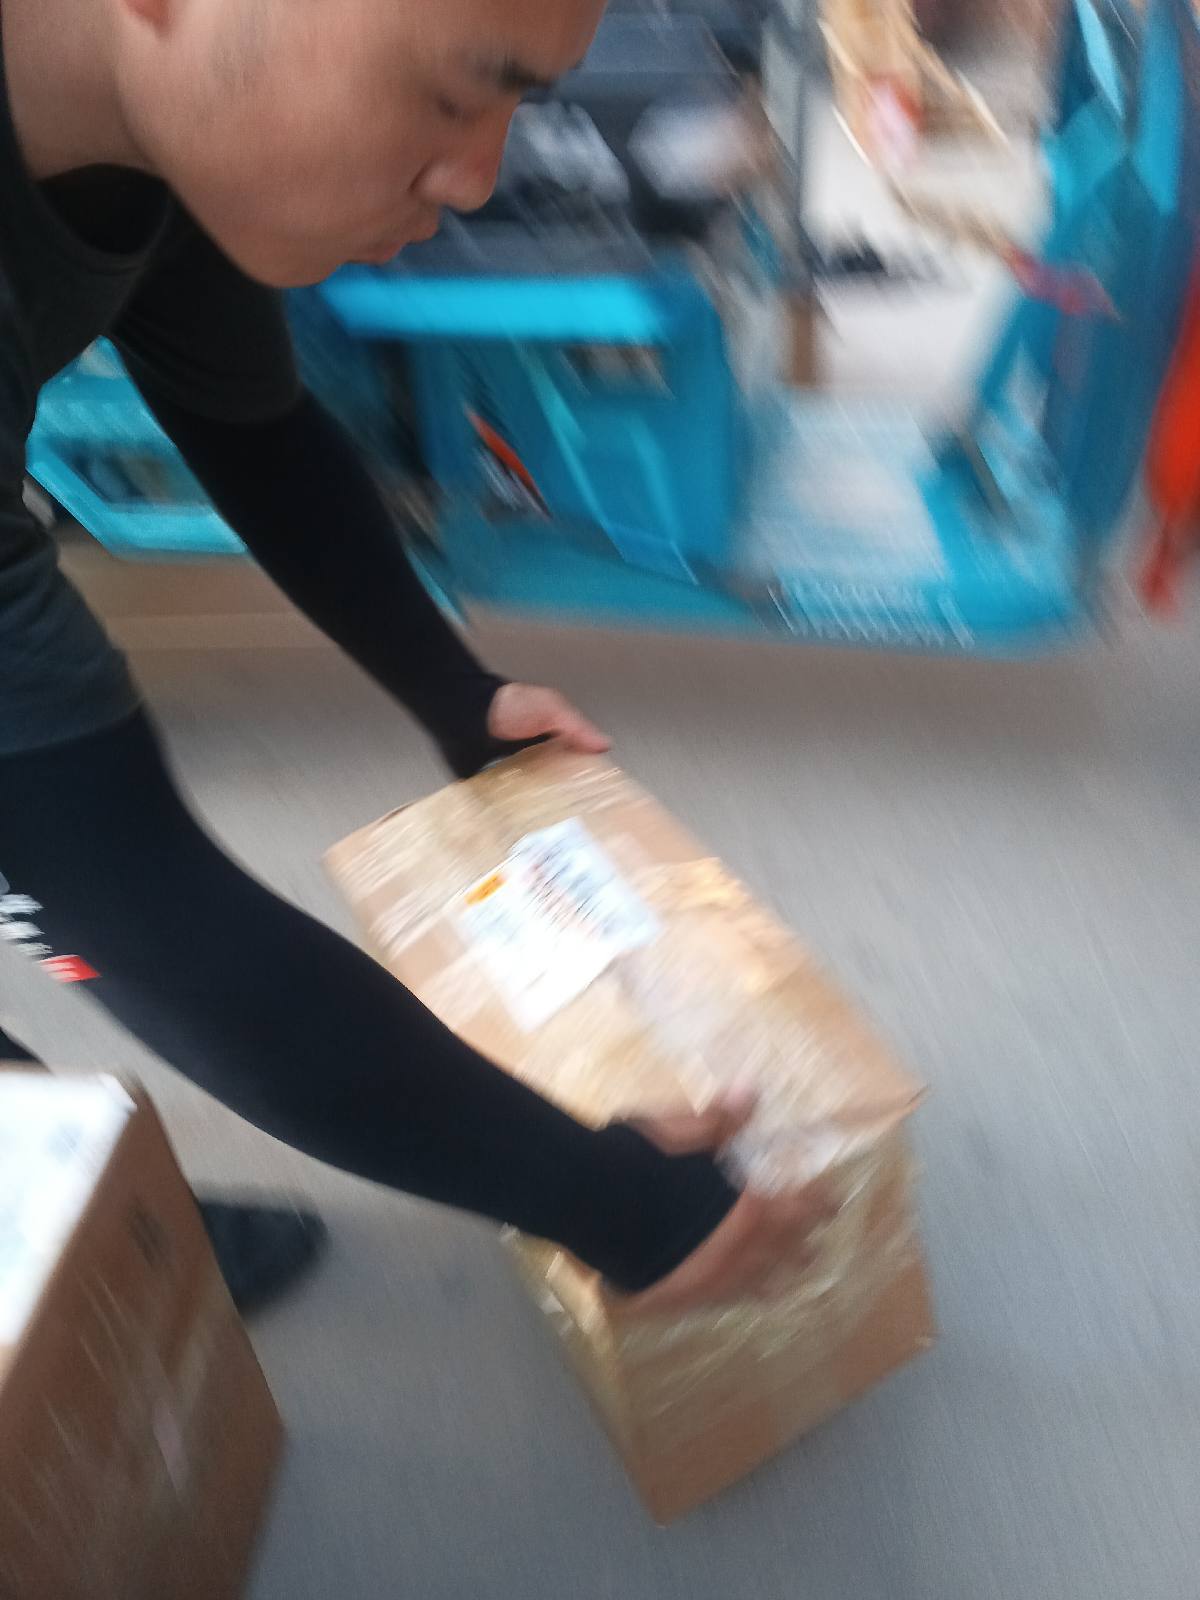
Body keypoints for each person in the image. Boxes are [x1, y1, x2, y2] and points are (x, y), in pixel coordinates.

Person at [0, 0, 833, 1320]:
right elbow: (129, 900)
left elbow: (254, 428)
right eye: (454, 93)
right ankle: (65, 1238)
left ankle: (81, 1222)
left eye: (519, 106)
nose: (478, 178)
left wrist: (456, 696)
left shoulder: (160, 130)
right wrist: (612, 1202)